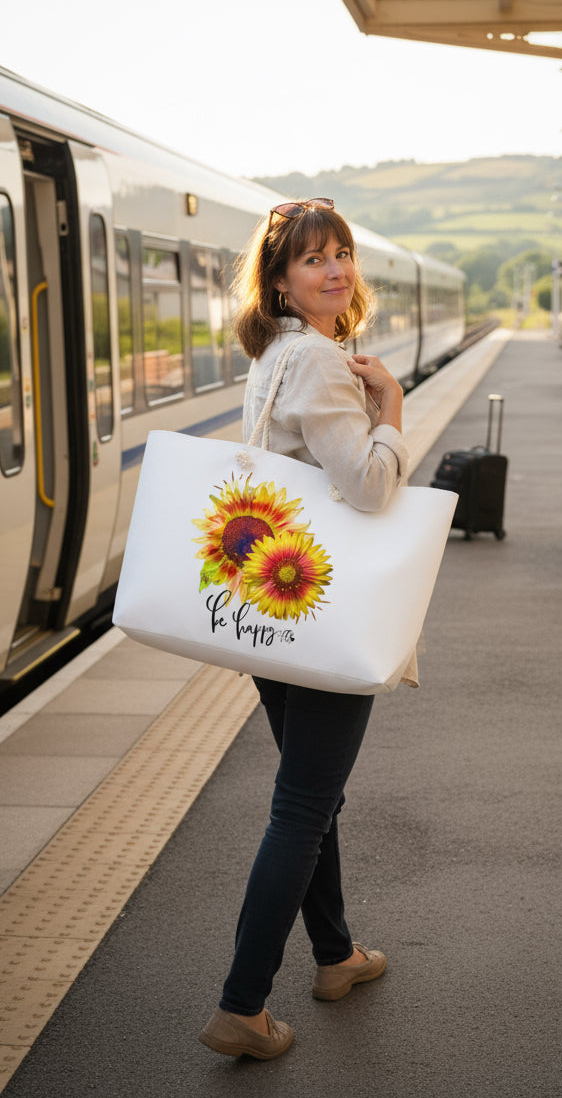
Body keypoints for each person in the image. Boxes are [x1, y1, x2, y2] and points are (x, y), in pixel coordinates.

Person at [198, 198, 410, 1060]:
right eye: (313, 259)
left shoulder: (276, 356)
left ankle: (335, 957)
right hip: (323, 613)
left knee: (315, 795)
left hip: (276, 610)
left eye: (342, 255)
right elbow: (365, 488)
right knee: (303, 807)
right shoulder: (322, 362)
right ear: (280, 279)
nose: (333, 270)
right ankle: (242, 1006)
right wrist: (391, 404)